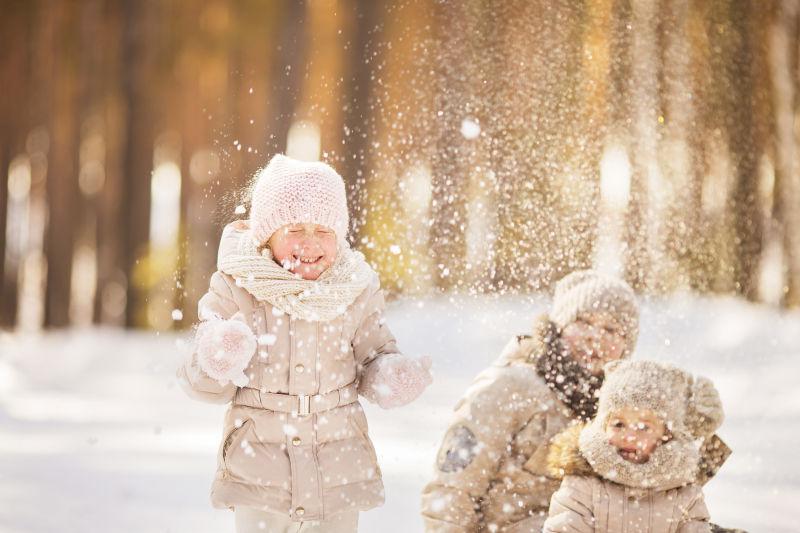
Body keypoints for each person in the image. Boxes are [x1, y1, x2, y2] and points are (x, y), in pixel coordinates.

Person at [177, 154, 432, 533]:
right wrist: (218, 357)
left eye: (324, 231)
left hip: (337, 465)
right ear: (267, 235)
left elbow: (373, 356)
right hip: (260, 467)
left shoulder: (355, 288)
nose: (310, 243)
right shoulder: (237, 284)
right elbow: (200, 382)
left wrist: (389, 376)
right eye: (295, 228)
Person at [421, 270, 639, 532]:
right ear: (559, 327)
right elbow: (451, 490)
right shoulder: (510, 386)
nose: (595, 336)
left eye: (611, 329)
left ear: (626, 345)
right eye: (583, 321)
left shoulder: (619, 412)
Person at [543, 359, 724, 533]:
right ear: (603, 427)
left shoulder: (684, 494)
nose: (629, 437)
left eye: (644, 427)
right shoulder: (582, 485)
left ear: (666, 435)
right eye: (618, 424)